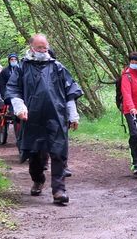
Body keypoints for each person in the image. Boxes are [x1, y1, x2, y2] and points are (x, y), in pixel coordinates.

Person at [5, 34, 82, 205]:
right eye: (39, 48)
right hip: (31, 119)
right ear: (32, 47)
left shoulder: (58, 67)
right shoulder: (22, 68)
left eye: (45, 47)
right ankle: (38, 179)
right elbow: (12, 90)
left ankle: (59, 190)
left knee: (59, 153)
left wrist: (73, 114)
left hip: (56, 117)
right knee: (35, 155)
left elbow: (70, 92)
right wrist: (19, 107)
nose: (43, 50)